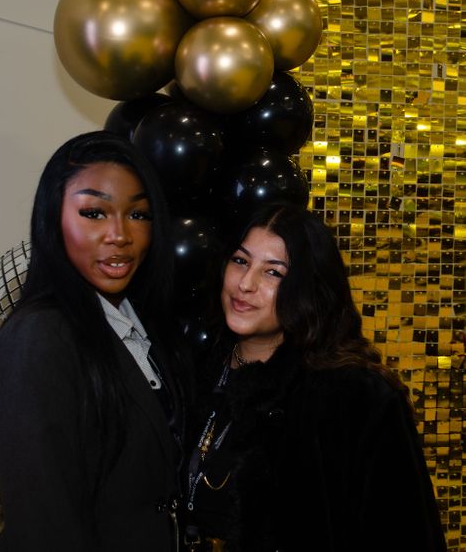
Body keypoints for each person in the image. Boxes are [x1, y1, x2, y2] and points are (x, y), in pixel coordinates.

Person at [182, 202, 447, 552]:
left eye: (273, 272)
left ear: (308, 287)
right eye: (241, 261)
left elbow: (408, 534)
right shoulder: (197, 370)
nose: (245, 284)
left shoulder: (354, 396)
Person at [0, 131, 189, 552]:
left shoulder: (141, 323)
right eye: (94, 213)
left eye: (139, 214)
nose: (119, 235)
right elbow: (44, 527)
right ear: (52, 220)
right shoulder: (37, 337)